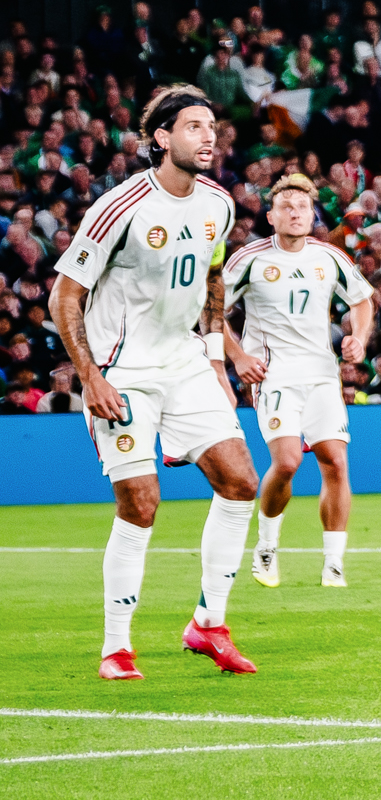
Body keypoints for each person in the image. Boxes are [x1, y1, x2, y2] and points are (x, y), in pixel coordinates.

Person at [48, 85, 267, 679]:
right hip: (122, 371)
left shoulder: (218, 203)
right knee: (141, 503)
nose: (208, 136)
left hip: (185, 362)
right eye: (194, 127)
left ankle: (209, 624)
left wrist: (217, 359)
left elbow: (214, 276)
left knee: (241, 481)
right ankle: (116, 647)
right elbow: (65, 294)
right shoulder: (121, 206)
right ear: (162, 138)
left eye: (212, 127)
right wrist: (90, 375)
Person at [225, 173, 375, 589]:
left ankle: (334, 563)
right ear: (271, 217)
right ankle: (267, 546)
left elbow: (362, 301)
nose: (295, 214)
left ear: (312, 215)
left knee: (336, 462)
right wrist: (238, 356)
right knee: (288, 461)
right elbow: (210, 309)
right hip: (274, 376)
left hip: (322, 375)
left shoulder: (329, 257)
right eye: (286, 208)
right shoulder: (250, 259)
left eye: (303, 208)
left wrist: (359, 339)